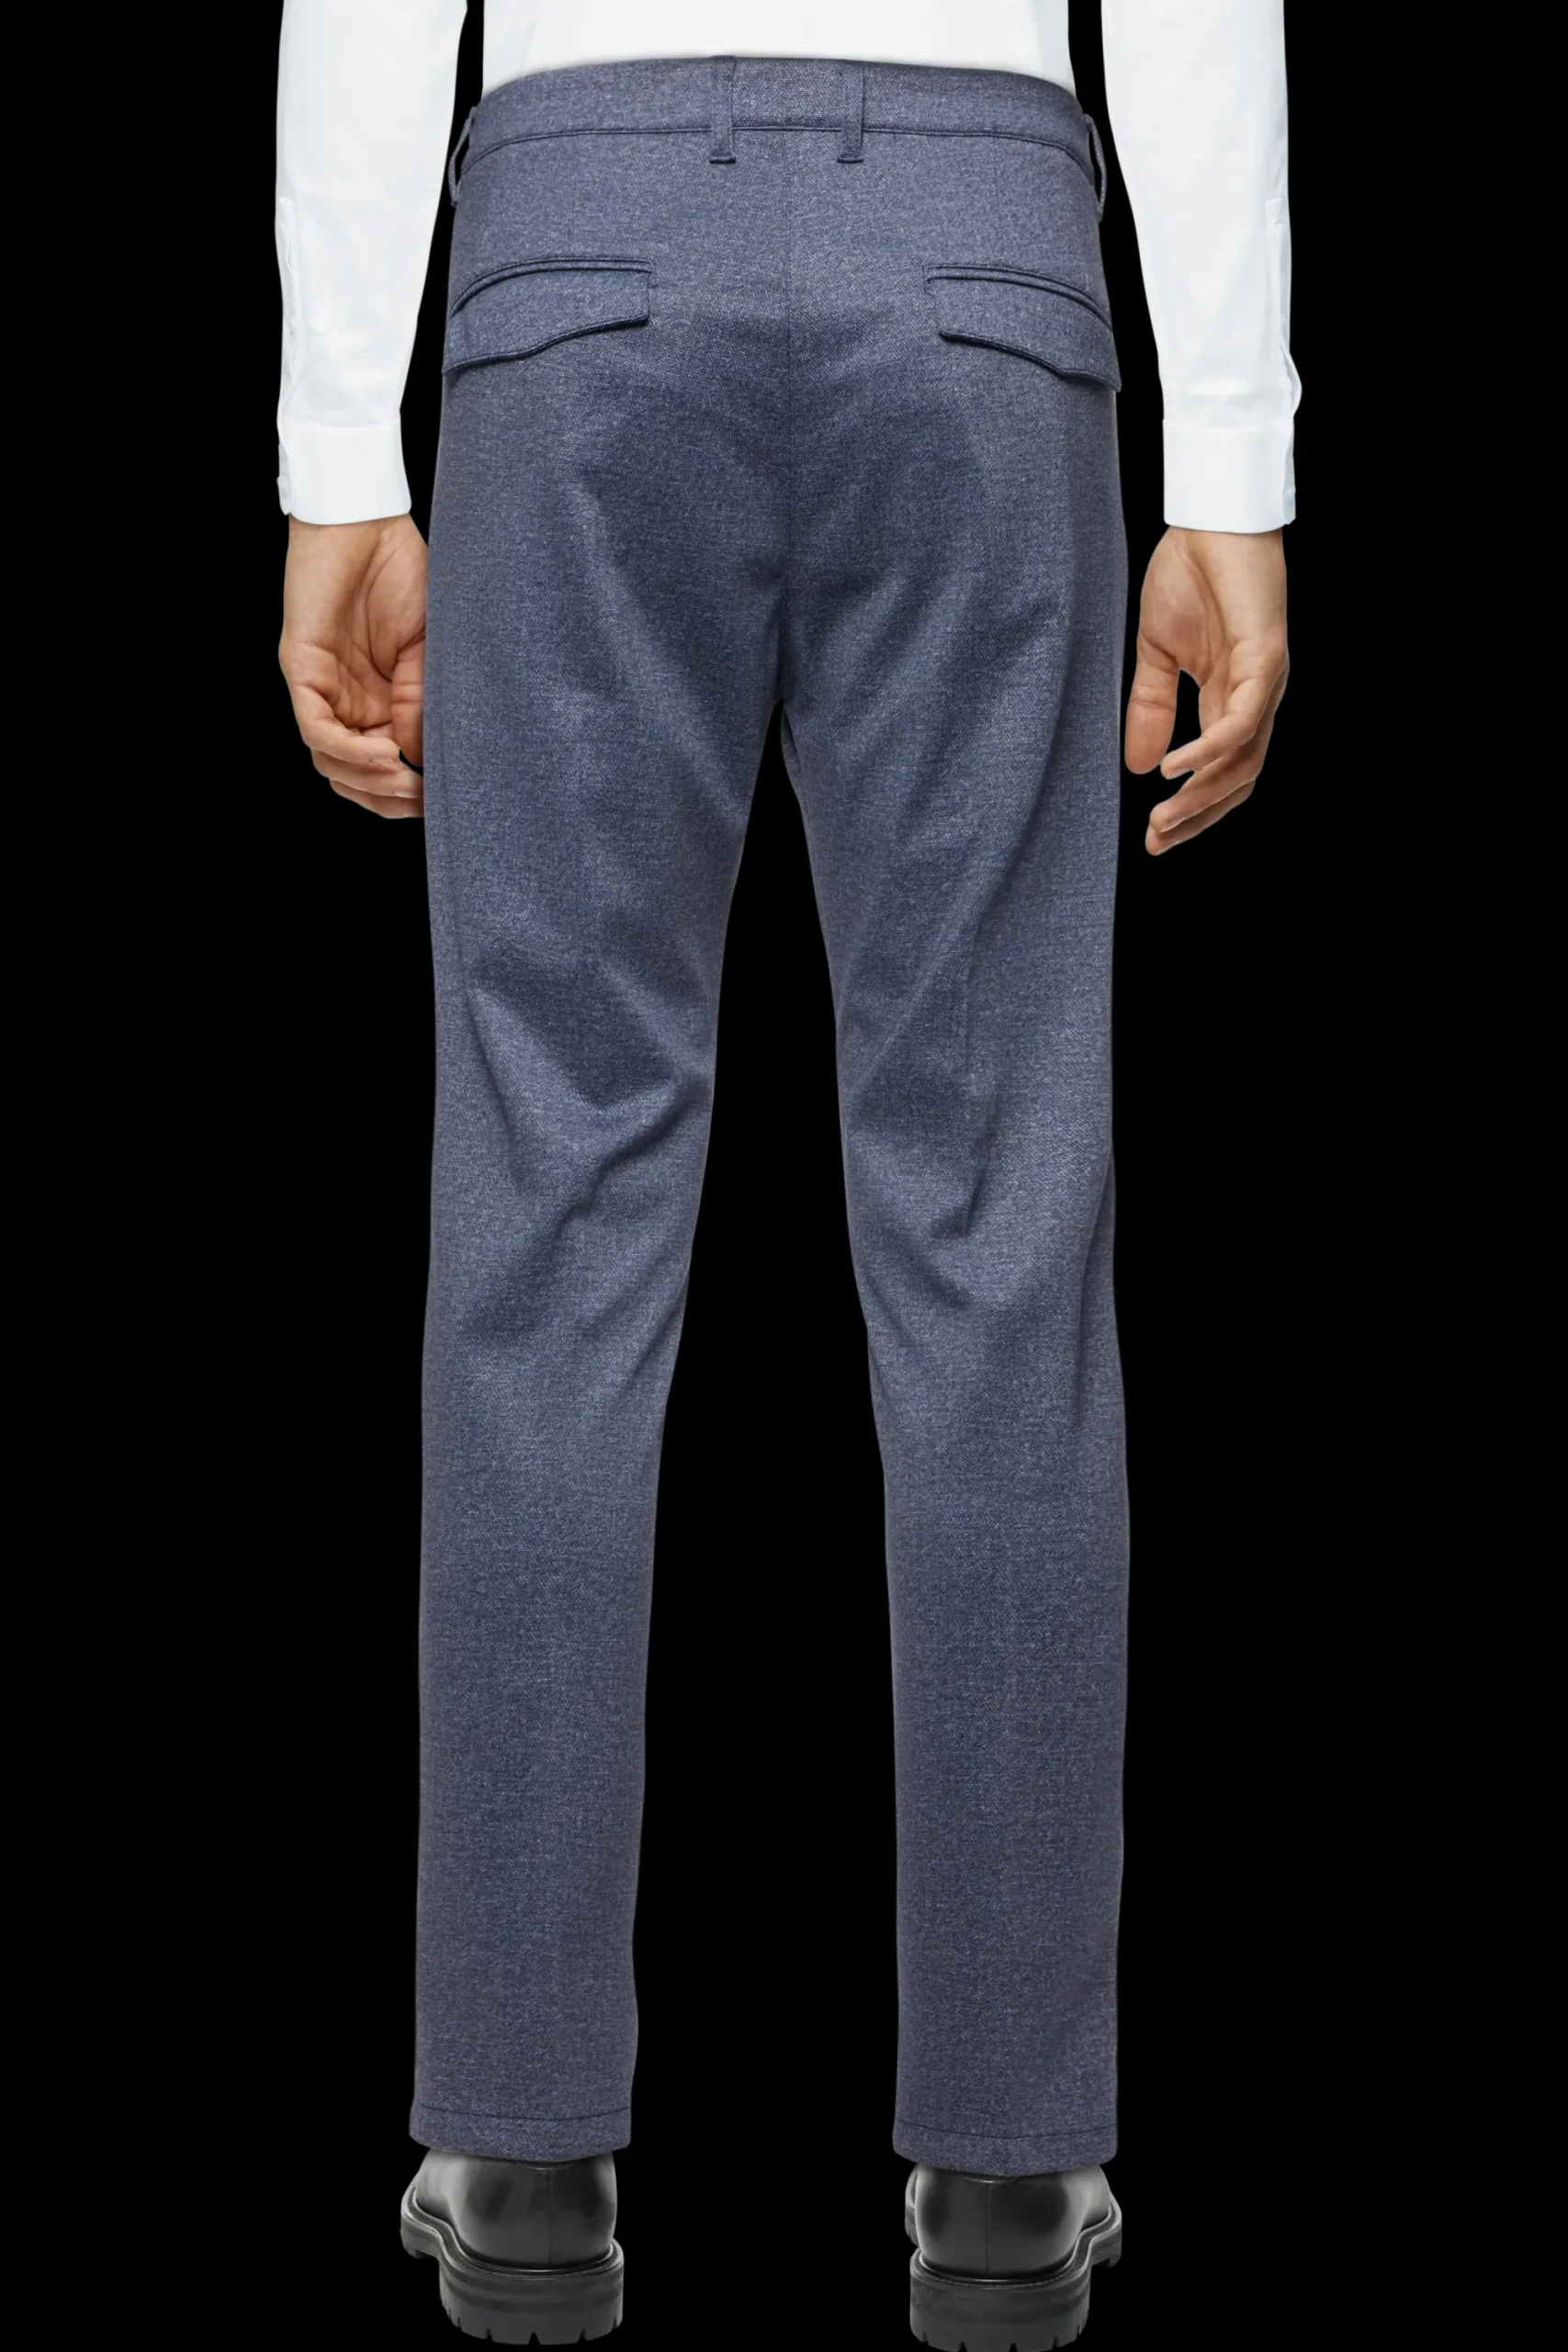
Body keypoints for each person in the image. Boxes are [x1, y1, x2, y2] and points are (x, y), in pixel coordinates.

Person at [276, 6, 1296, 2345]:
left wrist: (339, 435)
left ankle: (520, 2143)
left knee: (547, 1203)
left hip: (571, 273)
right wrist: (1231, 452)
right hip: (984, 276)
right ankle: (1011, 2167)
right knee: (997, 1214)